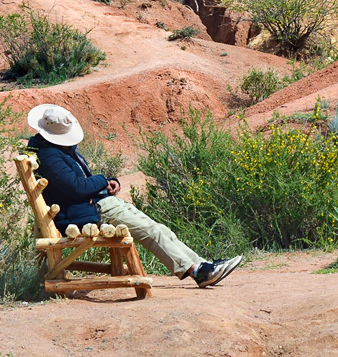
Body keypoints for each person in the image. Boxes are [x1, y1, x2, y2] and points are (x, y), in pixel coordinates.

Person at [25, 104, 242, 289]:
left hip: (94, 204)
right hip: (88, 211)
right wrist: (102, 180)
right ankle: (198, 271)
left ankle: (201, 265)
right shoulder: (50, 155)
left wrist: (108, 181)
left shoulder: (52, 149)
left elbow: (76, 183)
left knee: (156, 228)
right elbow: (75, 187)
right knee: (151, 230)